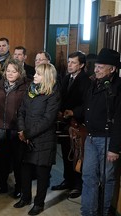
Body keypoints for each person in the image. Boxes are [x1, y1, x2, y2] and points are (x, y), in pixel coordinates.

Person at [69, 48, 121, 215]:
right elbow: (87, 107)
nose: (96, 70)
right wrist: (73, 114)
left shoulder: (118, 87)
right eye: (96, 66)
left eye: (100, 67)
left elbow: (120, 119)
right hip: (91, 138)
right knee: (88, 177)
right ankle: (88, 212)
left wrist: (114, 147)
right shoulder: (93, 83)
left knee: (107, 179)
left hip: (107, 140)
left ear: (112, 69)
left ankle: (104, 211)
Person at [14, 63, 60, 216]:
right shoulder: (30, 90)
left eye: (38, 74)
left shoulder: (53, 94)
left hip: (43, 139)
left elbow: (47, 120)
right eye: (35, 73)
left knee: (42, 174)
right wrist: (21, 131)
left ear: (46, 77)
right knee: (25, 171)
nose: (34, 76)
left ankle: (39, 203)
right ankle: (25, 197)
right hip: (26, 137)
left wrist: (27, 133)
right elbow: (21, 111)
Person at [51, 51, 91, 199]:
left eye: (73, 62)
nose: (69, 65)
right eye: (69, 62)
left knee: (77, 155)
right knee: (67, 154)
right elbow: (62, 97)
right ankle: (67, 181)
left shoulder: (86, 81)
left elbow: (87, 104)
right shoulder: (67, 78)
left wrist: (73, 112)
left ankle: (77, 185)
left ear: (81, 65)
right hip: (65, 123)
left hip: (78, 124)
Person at [0, 58, 28, 198]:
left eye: (14, 71)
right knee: (1, 161)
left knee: (17, 161)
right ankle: (2, 185)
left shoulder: (25, 87)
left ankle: (19, 187)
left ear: (20, 73)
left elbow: (27, 110)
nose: (10, 73)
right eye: (8, 70)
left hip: (16, 129)